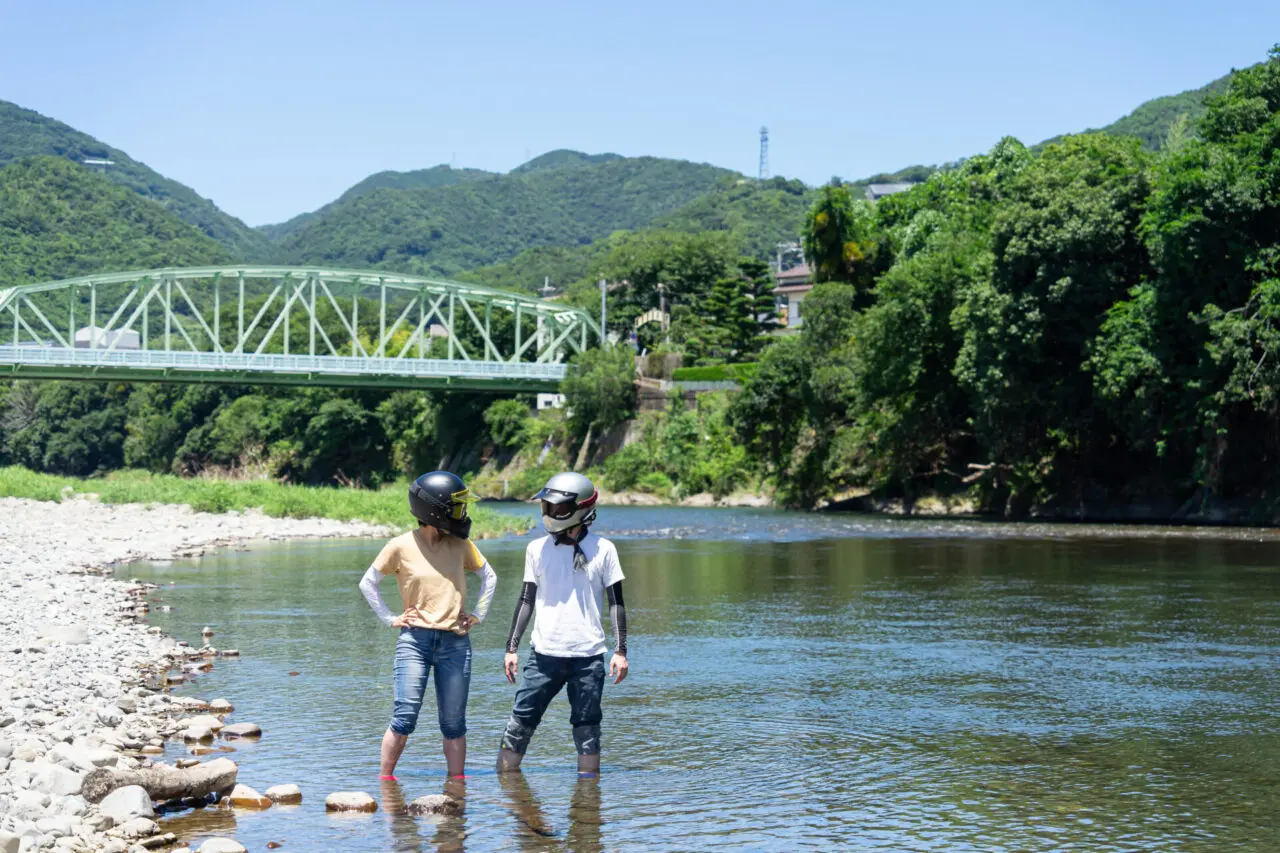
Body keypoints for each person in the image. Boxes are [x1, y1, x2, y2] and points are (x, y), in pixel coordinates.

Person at [359, 470, 496, 780]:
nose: (462, 513)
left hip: (456, 643)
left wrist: (477, 614)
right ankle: (386, 784)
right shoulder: (400, 545)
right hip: (414, 642)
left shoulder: (461, 544)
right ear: (434, 510)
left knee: (453, 723)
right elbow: (368, 583)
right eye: (457, 506)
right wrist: (390, 618)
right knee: (404, 717)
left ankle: (457, 786)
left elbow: (490, 577)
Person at [497, 472, 629, 776]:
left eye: (555, 508)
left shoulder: (604, 549)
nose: (549, 514)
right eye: (546, 507)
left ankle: (587, 808)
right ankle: (506, 794)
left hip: (588, 657)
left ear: (579, 509)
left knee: (588, 731)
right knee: (520, 723)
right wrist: (511, 647)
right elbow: (526, 599)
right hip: (544, 655)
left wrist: (620, 651)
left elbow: (616, 603)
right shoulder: (536, 549)